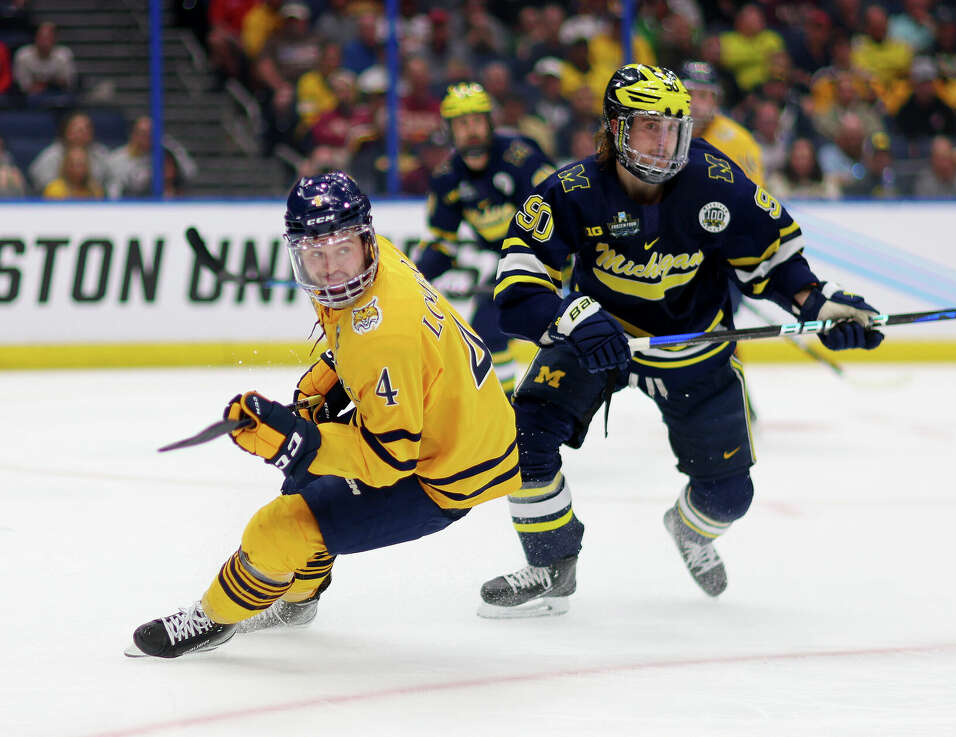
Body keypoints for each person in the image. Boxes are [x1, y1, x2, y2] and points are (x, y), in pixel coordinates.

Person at [477, 64, 884, 618]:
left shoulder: (719, 183)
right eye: (649, 127)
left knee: (728, 498)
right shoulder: (569, 191)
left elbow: (779, 268)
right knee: (520, 438)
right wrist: (574, 314)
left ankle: (689, 530)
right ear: (614, 129)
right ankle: (552, 565)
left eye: (674, 128)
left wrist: (823, 305)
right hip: (599, 340)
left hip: (695, 353)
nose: (664, 143)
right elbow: (517, 291)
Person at [126, 172, 521, 658]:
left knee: (277, 527)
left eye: (340, 251)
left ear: (363, 241)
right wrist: (331, 372)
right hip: (462, 422)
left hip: (447, 471)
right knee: (305, 487)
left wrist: (297, 441)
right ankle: (299, 600)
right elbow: (369, 341)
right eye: (315, 254)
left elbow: (389, 459)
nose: (330, 269)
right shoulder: (384, 258)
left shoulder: (383, 339)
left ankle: (214, 618)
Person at [413, 81, 556, 396]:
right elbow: (443, 244)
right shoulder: (447, 178)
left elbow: (559, 213)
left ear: (490, 123)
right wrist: (415, 277)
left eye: (477, 121)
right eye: (461, 124)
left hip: (553, 255)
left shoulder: (521, 159)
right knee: (486, 334)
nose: (471, 130)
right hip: (509, 262)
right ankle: (505, 405)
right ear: (450, 131)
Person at [679, 60, 764, 186]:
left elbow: (754, 194)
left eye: (703, 95)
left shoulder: (739, 141)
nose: (694, 103)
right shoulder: (662, 132)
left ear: (716, 100)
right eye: (688, 93)